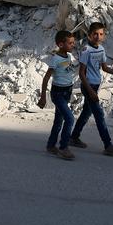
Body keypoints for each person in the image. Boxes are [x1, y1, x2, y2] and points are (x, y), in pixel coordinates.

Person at [70, 22, 113, 155]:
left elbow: (105, 68)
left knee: (86, 112)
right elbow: (81, 73)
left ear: (104, 36)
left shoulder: (101, 49)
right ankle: (108, 145)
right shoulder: (86, 50)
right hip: (88, 86)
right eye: (95, 34)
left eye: (101, 34)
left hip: (96, 85)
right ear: (89, 35)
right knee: (99, 115)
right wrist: (91, 91)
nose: (98, 36)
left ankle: (73, 137)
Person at [38, 30, 78, 161]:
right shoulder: (55, 59)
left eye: (73, 42)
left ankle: (50, 145)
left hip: (67, 91)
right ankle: (63, 148)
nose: (73, 45)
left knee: (59, 121)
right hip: (58, 93)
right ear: (61, 44)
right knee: (70, 119)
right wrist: (43, 97)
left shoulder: (69, 56)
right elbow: (46, 78)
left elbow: (68, 70)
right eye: (70, 43)